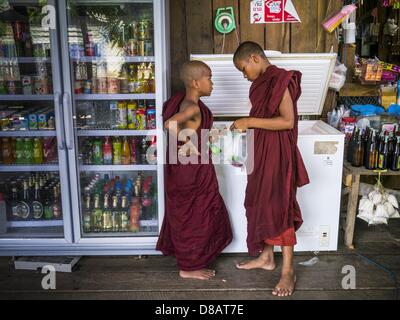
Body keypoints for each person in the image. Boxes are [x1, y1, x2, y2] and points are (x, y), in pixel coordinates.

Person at [231, 41, 310, 296]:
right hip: (262, 152)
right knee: (260, 202)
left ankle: (288, 271)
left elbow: (287, 121)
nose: (245, 76)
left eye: (243, 69)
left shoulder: (280, 79)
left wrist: (248, 121)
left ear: (254, 58)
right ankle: (267, 257)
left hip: (279, 154)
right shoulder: (260, 83)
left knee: (280, 205)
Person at [156, 60, 233, 280]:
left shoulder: (184, 102)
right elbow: (170, 125)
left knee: (194, 213)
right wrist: (188, 147)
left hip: (184, 169)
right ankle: (188, 268)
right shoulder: (191, 106)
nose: (212, 83)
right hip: (192, 172)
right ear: (195, 82)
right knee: (198, 215)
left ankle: (190, 262)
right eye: (209, 78)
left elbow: (185, 130)